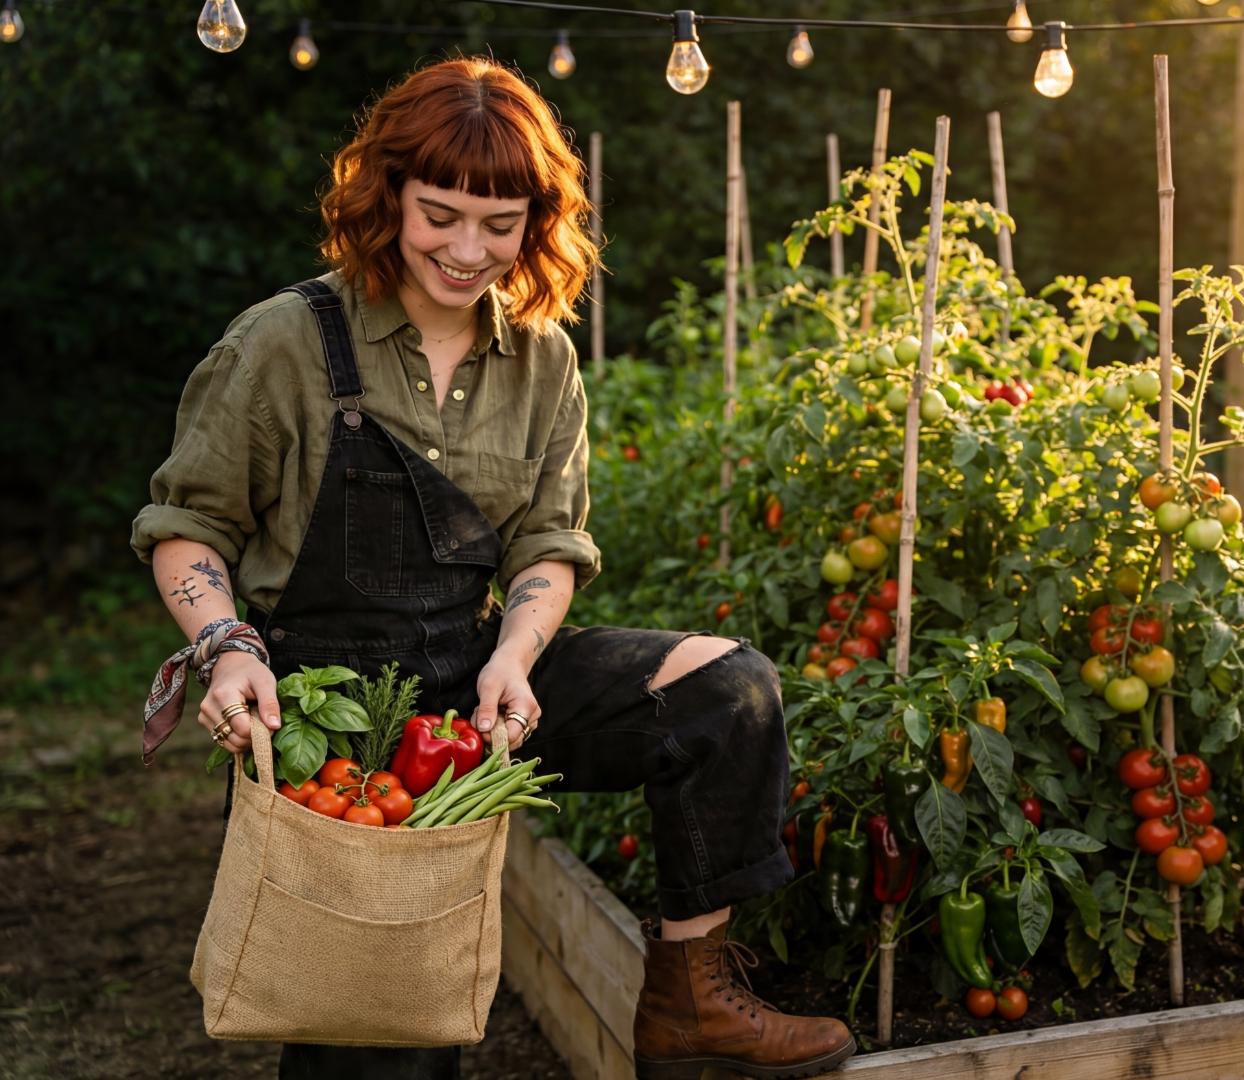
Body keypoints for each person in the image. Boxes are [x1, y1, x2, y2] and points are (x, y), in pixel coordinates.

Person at [132, 57, 856, 1080]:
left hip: (475, 682)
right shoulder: (286, 341)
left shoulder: (542, 361)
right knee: (391, 1039)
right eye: (439, 215)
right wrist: (223, 647)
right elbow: (185, 526)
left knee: (724, 692)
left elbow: (548, 547)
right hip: (326, 709)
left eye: (499, 223)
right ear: (384, 199)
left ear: (536, 222)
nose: (468, 251)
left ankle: (692, 1001)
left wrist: (514, 659)